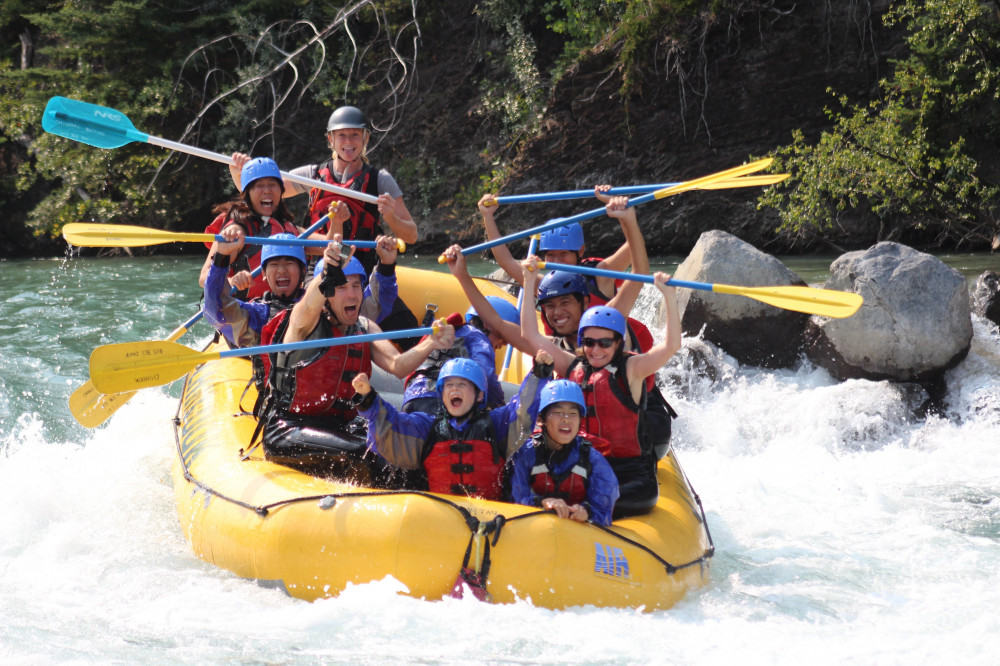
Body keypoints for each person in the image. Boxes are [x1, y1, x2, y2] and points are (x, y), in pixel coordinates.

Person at [252, 237, 455, 483]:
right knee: (365, 454)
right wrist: (328, 270)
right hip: (288, 428)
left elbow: (398, 366)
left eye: (356, 286)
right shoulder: (303, 323)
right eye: (342, 287)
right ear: (326, 294)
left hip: (340, 426)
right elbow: (309, 302)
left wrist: (431, 343)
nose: (352, 295)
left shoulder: (365, 326)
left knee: (404, 452)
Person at [520, 259, 682, 517]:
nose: (596, 350)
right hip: (585, 468)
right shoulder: (572, 366)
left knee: (635, 494)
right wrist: (529, 281)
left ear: (618, 343)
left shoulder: (633, 368)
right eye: (589, 342)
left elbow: (671, 346)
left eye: (604, 343)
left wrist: (669, 297)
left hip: (631, 474)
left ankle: (586, 509)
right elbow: (530, 334)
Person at [351, 352, 554, 500]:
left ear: (480, 395)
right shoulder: (428, 427)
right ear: (442, 394)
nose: (454, 388)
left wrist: (538, 374)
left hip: (489, 514)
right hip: (443, 518)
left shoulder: (496, 424)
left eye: (462, 384)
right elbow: (394, 426)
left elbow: (522, 408)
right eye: (449, 385)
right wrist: (368, 399)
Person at [478, 186, 646, 304]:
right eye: (550, 255)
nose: (556, 262)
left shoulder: (601, 275)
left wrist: (623, 216)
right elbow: (505, 261)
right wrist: (488, 217)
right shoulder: (542, 284)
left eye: (563, 254)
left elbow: (634, 247)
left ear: (580, 251)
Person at [508, 380, 619, 526]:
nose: (566, 419)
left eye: (573, 413)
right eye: (557, 412)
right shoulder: (525, 454)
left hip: (577, 535)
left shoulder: (593, 460)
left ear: (580, 421)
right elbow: (514, 500)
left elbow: (604, 512)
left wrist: (587, 512)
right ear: (541, 419)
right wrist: (542, 502)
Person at [199, 157, 305, 300]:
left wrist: (337, 222)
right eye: (259, 186)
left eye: (272, 185)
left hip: (284, 309)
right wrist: (232, 281)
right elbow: (204, 277)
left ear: (281, 191)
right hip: (245, 312)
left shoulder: (289, 228)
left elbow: (330, 242)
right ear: (247, 193)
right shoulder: (236, 230)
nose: (267, 191)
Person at [400, 297, 517, 414]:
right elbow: (486, 375)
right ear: (488, 325)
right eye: (504, 338)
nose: (503, 345)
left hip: (411, 397)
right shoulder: (478, 338)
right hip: (438, 400)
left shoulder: (452, 332)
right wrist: (501, 408)